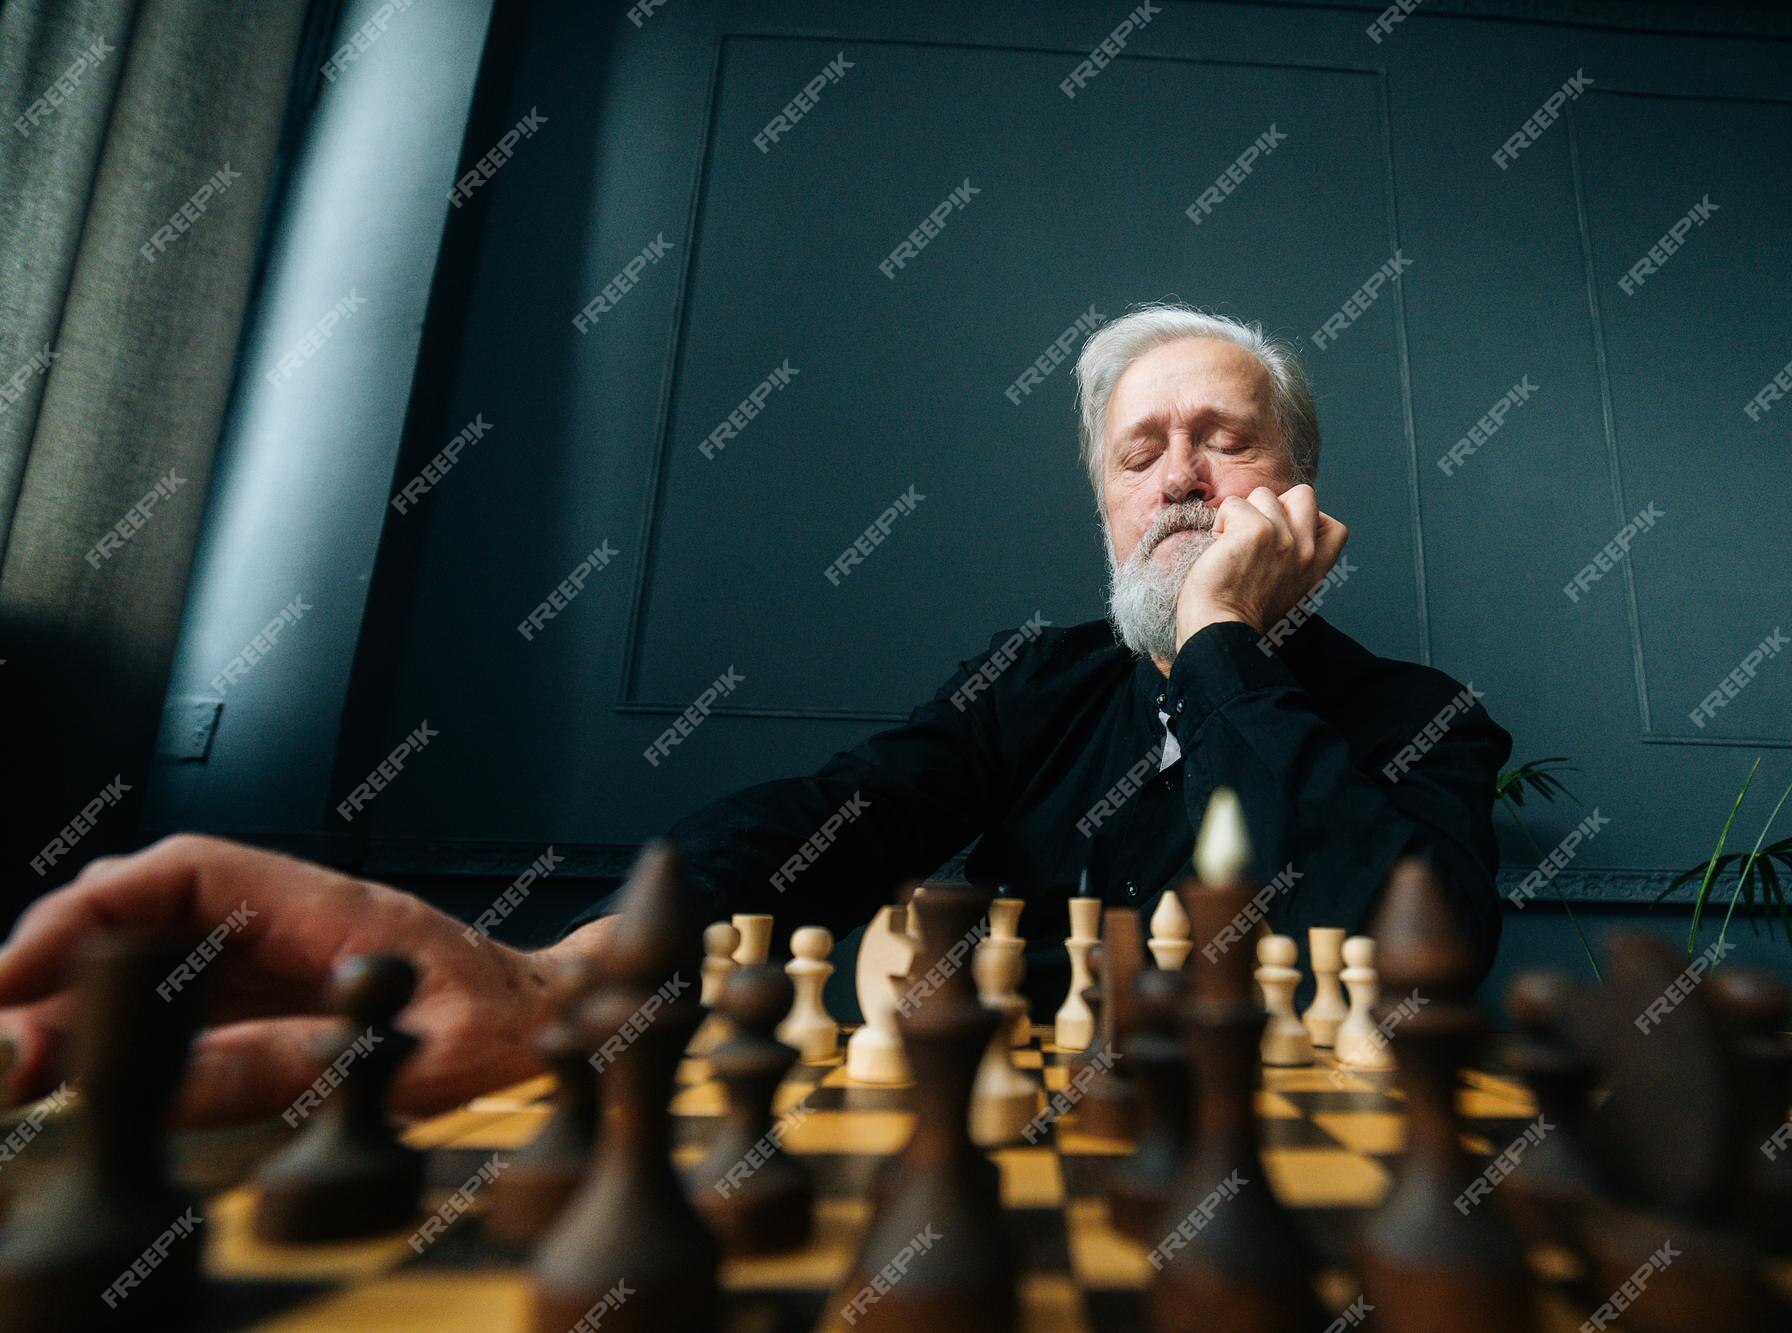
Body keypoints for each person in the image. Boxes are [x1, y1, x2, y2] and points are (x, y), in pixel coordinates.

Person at [0, 304, 1509, 1125]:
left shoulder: (1424, 714)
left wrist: (1225, 641)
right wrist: (578, 970)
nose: (1175, 475)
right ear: (1102, 502)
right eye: (1138, 452)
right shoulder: (1031, 682)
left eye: (1222, 440)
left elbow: (1424, 943)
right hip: (1026, 1168)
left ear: (1296, 490)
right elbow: (837, 817)